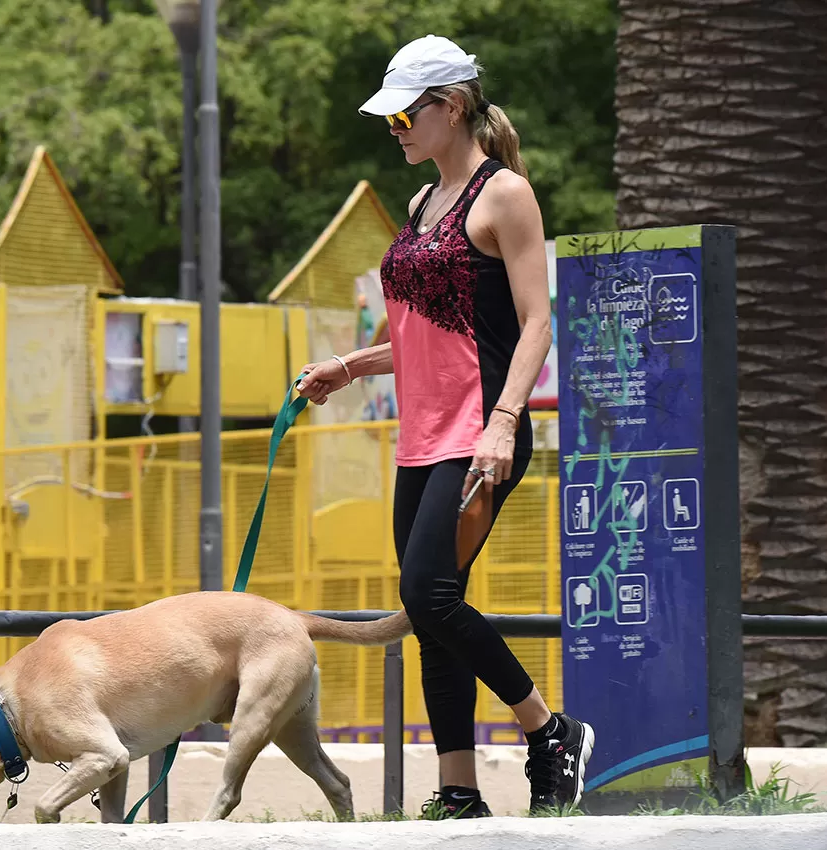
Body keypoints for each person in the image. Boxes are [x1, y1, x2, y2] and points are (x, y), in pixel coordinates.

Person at [296, 34, 595, 818]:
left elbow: (536, 324)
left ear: (451, 107)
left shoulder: (505, 196)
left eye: (404, 114)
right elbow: (428, 329)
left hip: (480, 435)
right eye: (388, 117)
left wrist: (503, 424)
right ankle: (458, 790)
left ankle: (550, 729)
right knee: (435, 614)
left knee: (427, 593)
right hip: (423, 437)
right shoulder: (424, 202)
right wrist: (350, 366)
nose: (393, 128)